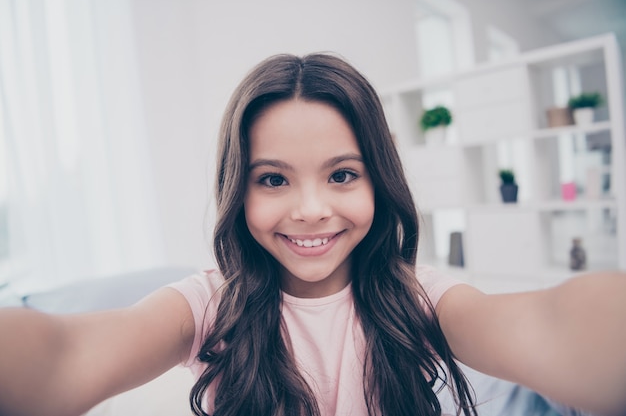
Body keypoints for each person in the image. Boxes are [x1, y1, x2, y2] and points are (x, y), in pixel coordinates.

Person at [0, 53, 625, 416]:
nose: (310, 209)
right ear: (236, 190)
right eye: (273, 179)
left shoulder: (422, 300)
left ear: (379, 182)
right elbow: (63, 355)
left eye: (343, 175)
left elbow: (554, 325)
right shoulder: (206, 306)